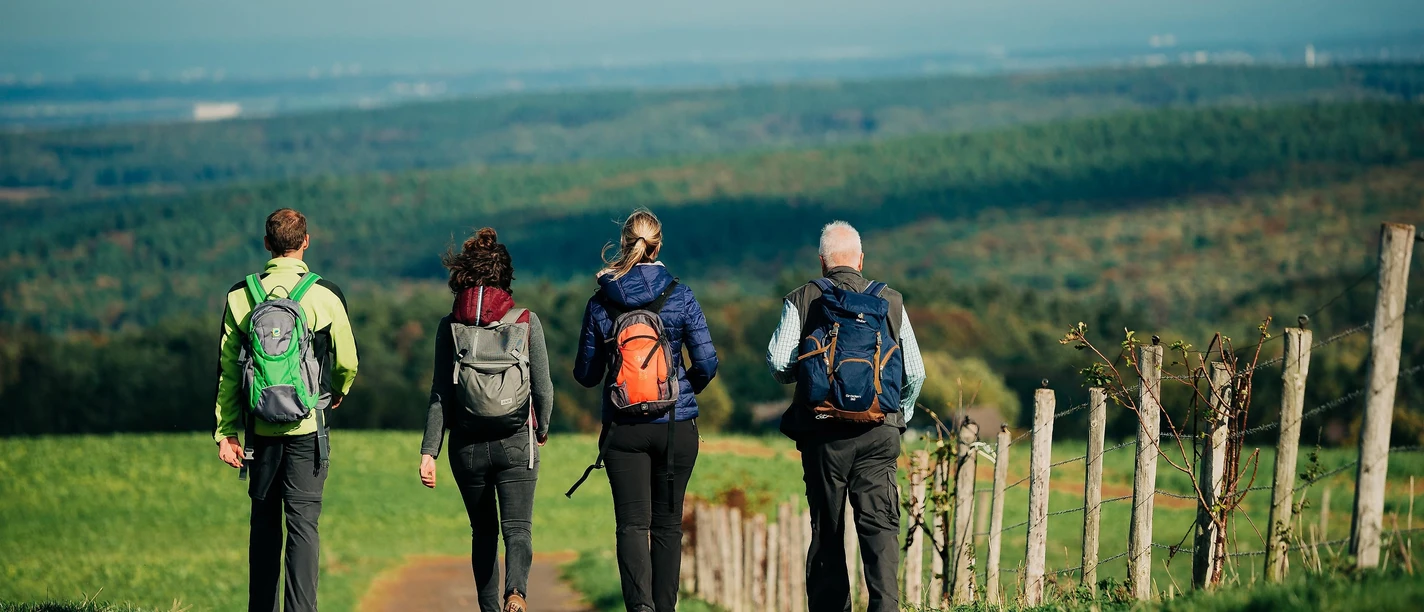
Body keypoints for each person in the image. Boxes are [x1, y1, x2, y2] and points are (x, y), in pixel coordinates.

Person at [766, 220, 925, 612]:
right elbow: (916, 372)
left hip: (823, 437)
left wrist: (810, 381)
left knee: (828, 531)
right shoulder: (890, 300)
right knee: (880, 529)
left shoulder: (804, 297)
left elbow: (778, 362)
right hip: (878, 433)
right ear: (860, 260)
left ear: (823, 263)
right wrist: (895, 417)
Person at [570, 209, 718, 612]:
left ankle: (640, 609)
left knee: (632, 526)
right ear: (659, 245)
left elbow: (585, 374)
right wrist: (684, 392)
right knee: (668, 527)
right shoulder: (681, 295)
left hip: (623, 430)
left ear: (624, 244)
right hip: (675, 425)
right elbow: (707, 363)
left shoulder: (602, 301)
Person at [214, 208, 359, 612]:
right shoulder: (324, 294)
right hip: (307, 431)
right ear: (306, 241)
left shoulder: (239, 295)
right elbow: (348, 361)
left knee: (263, 529)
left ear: (266, 245)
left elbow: (227, 371)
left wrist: (226, 432)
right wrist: (336, 390)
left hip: (259, 435)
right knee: (303, 530)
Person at [418, 228, 554, 612]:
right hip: (516, 440)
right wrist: (540, 429)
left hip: (467, 445)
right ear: (505, 276)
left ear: (462, 276)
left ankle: (489, 608)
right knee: (518, 530)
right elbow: (543, 388)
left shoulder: (450, 327)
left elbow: (440, 394)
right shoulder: (527, 321)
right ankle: (517, 593)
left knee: (483, 532)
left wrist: (430, 452)